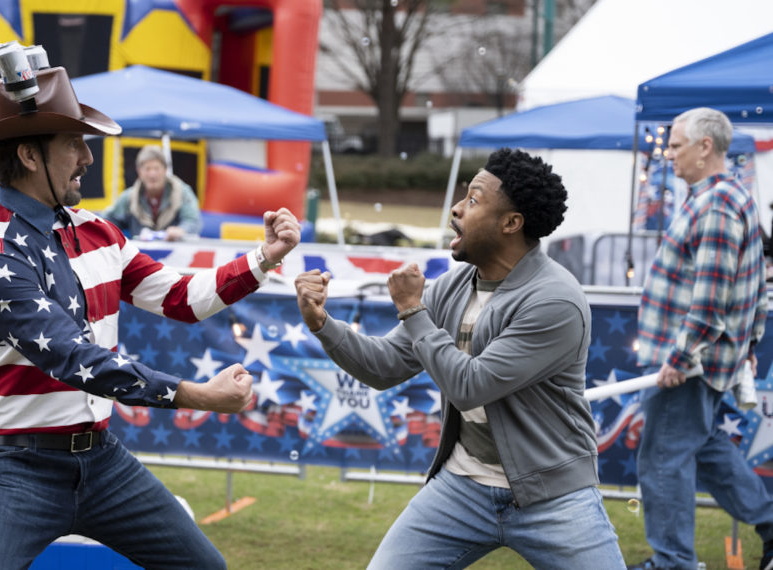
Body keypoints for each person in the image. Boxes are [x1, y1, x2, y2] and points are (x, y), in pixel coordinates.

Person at [0, 59, 300, 569]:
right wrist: (198, 395)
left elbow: (182, 298)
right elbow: (74, 358)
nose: (87, 158)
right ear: (28, 154)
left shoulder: (97, 230)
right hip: (10, 467)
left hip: (100, 460)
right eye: (74, 143)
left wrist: (263, 257)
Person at [295, 148, 625, 569]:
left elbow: (470, 387)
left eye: (473, 199)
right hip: (462, 487)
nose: (456, 208)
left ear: (511, 223)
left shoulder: (556, 300)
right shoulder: (452, 287)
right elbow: (383, 367)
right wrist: (322, 323)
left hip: (553, 495)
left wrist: (413, 311)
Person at [632, 107, 773, 570]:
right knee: (707, 448)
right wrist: (747, 346)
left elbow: (711, 295)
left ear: (705, 147)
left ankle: (672, 562)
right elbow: (748, 289)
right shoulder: (731, 197)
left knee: (663, 461)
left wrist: (680, 353)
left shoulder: (715, 203)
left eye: (675, 146)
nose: (668, 154)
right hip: (706, 359)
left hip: (689, 363)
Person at [102, 144, 202, 240]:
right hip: (139, 253)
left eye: (156, 168)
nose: (152, 174)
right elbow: (108, 220)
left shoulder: (182, 192)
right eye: (147, 169)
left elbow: (193, 221)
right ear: (139, 171)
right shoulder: (129, 197)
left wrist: (181, 231)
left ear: (165, 170)